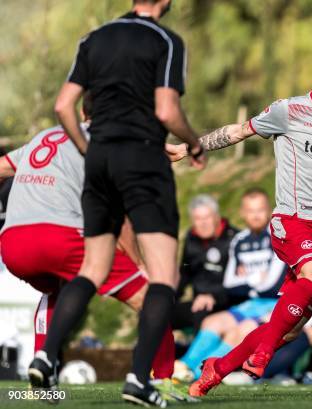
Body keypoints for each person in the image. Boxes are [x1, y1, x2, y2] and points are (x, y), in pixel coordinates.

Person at [28, 1, 206, 406]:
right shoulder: (166, 39)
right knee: (162, 277)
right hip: (143, 157)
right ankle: (139, 380)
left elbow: (63, 106)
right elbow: (166, 109)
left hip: (100, 158)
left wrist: (87, 148)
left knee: (92, 269)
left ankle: (46, 355)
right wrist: (194, 141)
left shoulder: (95, 38)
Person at [188, 45, 312, 397]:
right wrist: (191, 147)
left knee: (291, 328)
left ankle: (217, 370)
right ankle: (261, 355)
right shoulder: (289, 110)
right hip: (292, 221)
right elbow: (238, 132)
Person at [0, 98, 189, 401]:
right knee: (152, 296)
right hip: (61, 238)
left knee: (56, 290)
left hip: (12, 243)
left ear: (84, 112)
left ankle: (42, 376)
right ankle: (159, 380)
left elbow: (1, 168)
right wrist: (139, 262)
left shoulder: (46, 136)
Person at [177, 189, 286, 379]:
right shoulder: (239, 240)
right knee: (211, 322)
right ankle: (183, 366)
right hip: (250, 304)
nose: (255, 215)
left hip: (275, 305)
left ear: (269, 210)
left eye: (260, 210)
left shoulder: (279, 235)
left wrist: (246, 278)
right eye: (250, 211)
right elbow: (230, 283)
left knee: (241, 330)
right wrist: (255, 278)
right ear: (243, 213)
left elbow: (272, 285)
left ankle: (199, 373)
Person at [173, 195, 238, 332]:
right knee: (156, 314)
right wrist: (168, 298)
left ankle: (201, 354)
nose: (203, 223)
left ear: (216, 217)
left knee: (201, 312)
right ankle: (163, 353)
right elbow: (185, 273)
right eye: (198, 219)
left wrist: (214, 297)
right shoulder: (191, 239)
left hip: (226, 302)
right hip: (198, 301)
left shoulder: (235, 239)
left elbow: (241, 283)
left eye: (207, 217)